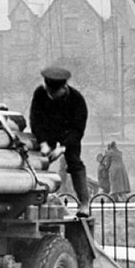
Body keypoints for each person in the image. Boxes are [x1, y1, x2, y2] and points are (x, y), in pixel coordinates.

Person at [29, 65, 90, 216]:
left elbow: (78, 130)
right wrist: (43, 144)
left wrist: (62, 148)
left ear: (64, 88)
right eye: (49, 92)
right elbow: (35, 120)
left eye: (54, 93)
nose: (51, 96)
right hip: (47, 131)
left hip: (69, 134)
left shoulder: (77, 100)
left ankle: (84, 203)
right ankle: (35, 199)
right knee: (39, 161)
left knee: (75, 163)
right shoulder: (40, 94)